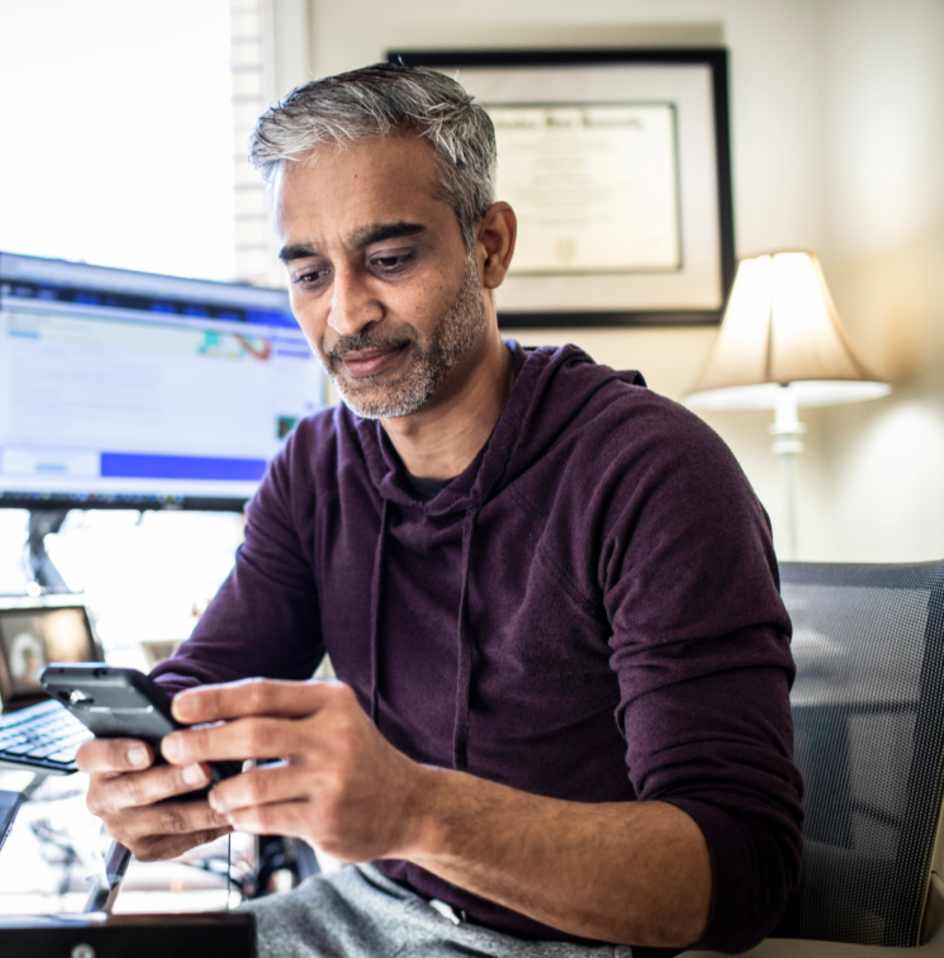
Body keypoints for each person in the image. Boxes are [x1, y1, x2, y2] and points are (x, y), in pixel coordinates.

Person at [76, 62, 802, 958]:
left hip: (582, 942)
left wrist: (416, 810)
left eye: (389, 259)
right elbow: (206, 688)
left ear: (490, 245)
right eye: (309, 274)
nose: (345, 314)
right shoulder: (314, 466)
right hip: (368, 908)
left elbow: (741, 876)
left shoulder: (653, 472)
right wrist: (152, 775)